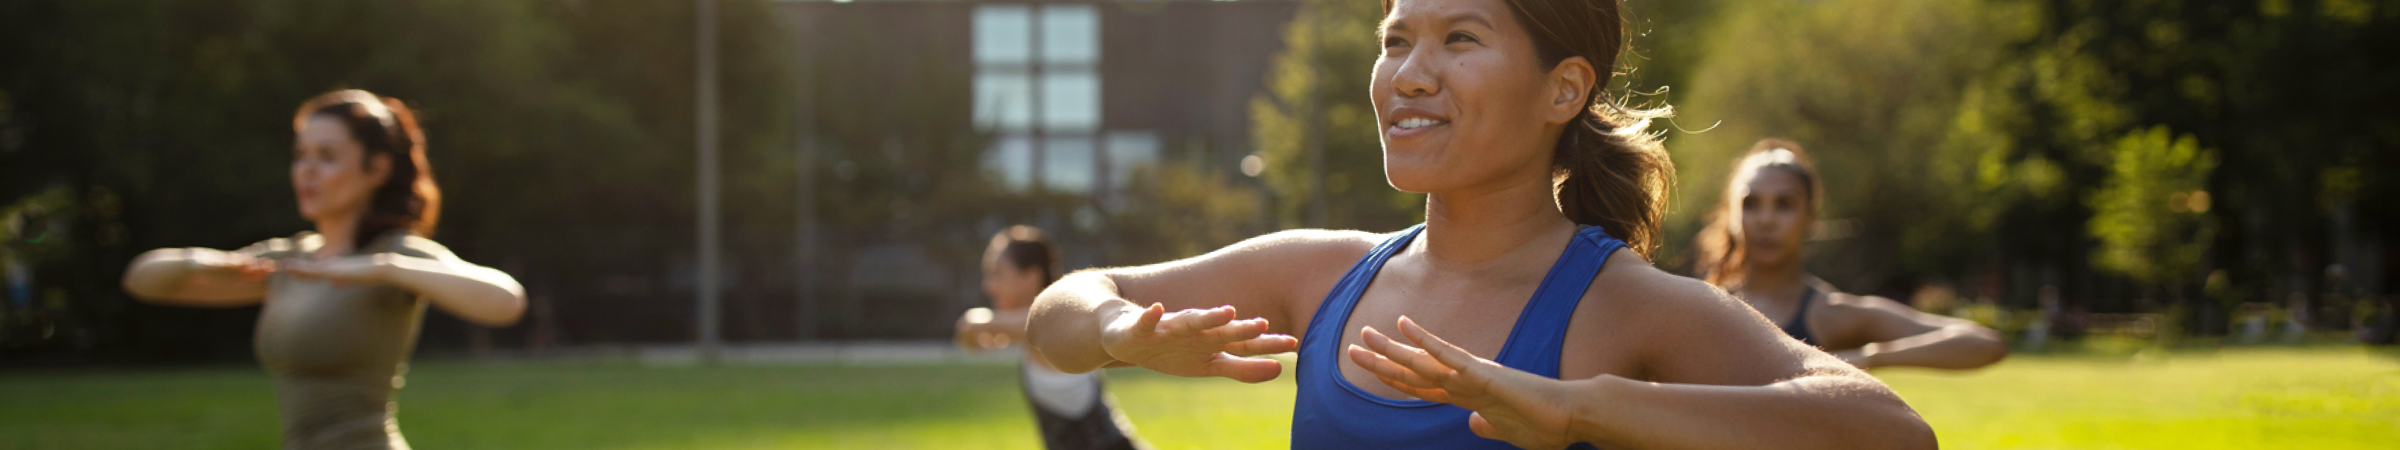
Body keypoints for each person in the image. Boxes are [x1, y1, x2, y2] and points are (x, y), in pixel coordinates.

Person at [1022, 0, 1937, 447]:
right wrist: (1120, 333)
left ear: (1563, 88)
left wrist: (1584, 408)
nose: (1409, 75)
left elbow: (1892, 432)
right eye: (1395, 40)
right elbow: (1059, 313)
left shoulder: (1627, 307)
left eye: (1460, 39)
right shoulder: (1319, 274)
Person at [121, 90, 526, 450]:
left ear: (377, 169)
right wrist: (200, 260)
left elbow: (505, 301)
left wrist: (381, 269)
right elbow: (143, 281)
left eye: (327, 157)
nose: (307, 171)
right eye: (301, 156)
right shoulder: (289, 258)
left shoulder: (394, 253)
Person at [1694, 139, 2008, 370]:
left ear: (1810, 217)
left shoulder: (1833, 314)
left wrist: (1870, 356)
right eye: (1751, 204)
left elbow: (1984, 343)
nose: (1766, 220)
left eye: (1784, 204)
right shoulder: (1701, 308)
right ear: (1732, 215)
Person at [954, 226, 1152, 450]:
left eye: (997, 274)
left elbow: (1025, 323)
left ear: (1031, 276)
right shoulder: (1027, 329)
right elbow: (971, 337)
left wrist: (979, 324)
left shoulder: (1056, 323)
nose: (987, 286)